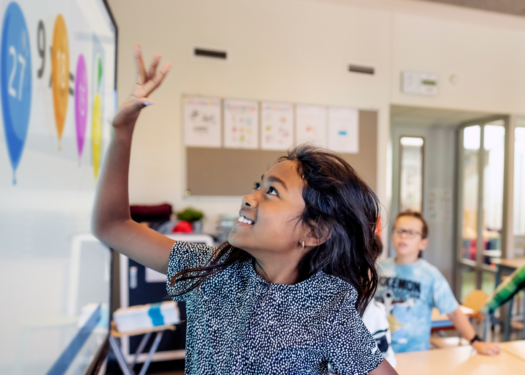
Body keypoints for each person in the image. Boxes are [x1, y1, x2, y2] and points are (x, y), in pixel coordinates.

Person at [92, 45, 397, 375]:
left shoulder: (328, 307)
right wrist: (122, 132)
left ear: (314, 231)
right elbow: (113, 226)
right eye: (257, 186)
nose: (249, 198)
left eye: (271, 192)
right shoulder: (212, 271)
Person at [375, 210, 500, 355]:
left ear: (423, 243)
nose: (403, 236)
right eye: (400, 231)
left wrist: (476, 341)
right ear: (392, 236)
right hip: (377, 355)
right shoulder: (379, 269)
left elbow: (453, 312)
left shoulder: (430, 275)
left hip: (414, 355)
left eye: (411, 233)